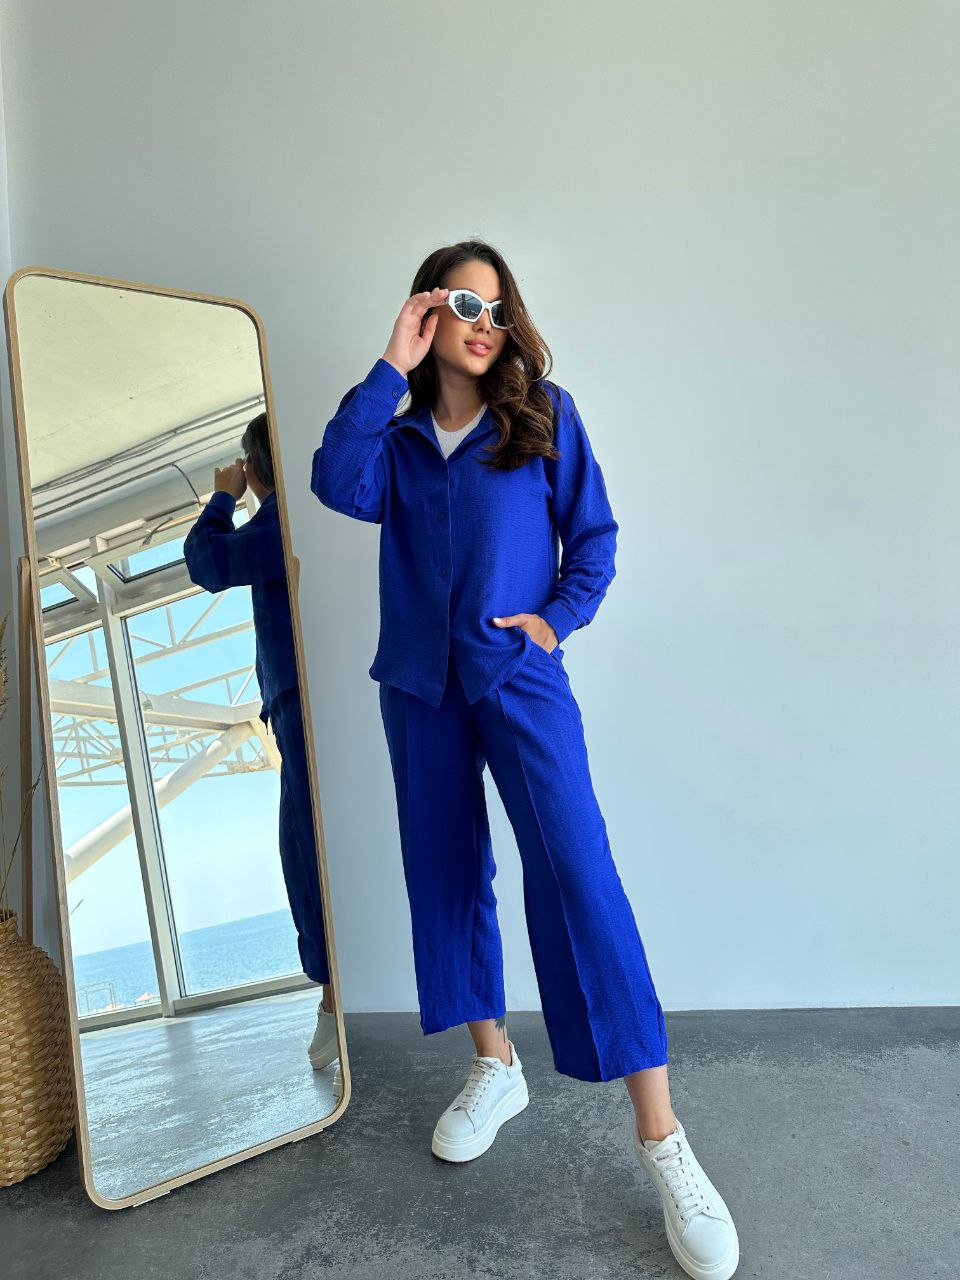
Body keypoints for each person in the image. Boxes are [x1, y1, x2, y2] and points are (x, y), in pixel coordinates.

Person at [311, 239, 738, 1279]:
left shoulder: (543, 415)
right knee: (446, 874)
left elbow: (595, 539)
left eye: (496, 308)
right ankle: (494, 1062)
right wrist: (389, 363)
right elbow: (331, 481)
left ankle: (663, 1136)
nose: (483, 323)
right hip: (419, 685)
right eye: (462, 304)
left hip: (518, 676)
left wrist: (555, 619)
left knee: (579, 874)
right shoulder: (394, 438)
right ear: (426, 311)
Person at [182, 414, 340, 1093]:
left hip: (299, 700)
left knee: (305, 851)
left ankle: (333, 999)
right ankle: (333, 995)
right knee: (303, 845)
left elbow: (206, 562)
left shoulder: (281, 524)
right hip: (300, 699)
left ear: (254, 468)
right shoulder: (304, 520)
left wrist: (223, 496)